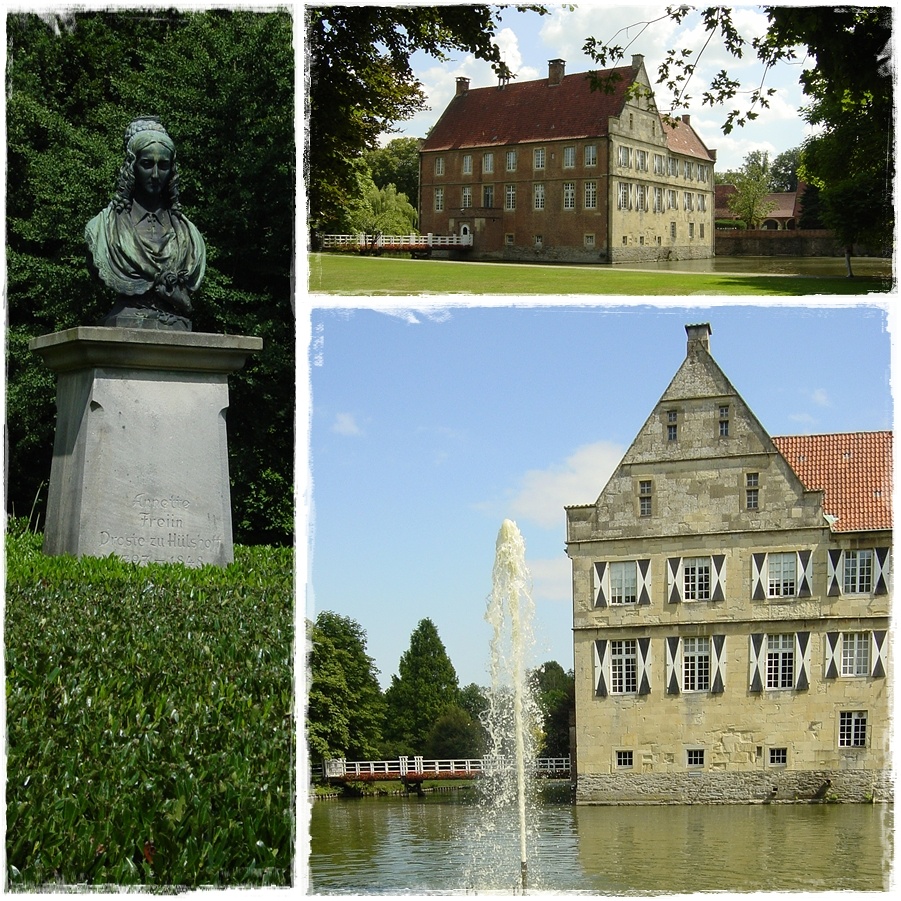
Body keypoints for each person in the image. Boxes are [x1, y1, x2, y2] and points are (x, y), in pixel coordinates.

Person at [86, 117, 206, 329]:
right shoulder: (103, 228)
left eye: (164, 166)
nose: (155, 175)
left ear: (172, 171)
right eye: (147, 164)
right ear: (132, 167)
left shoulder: (190, 237)